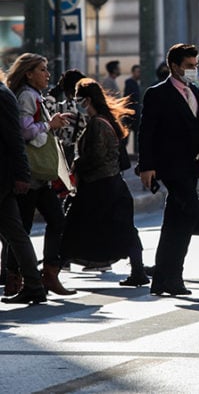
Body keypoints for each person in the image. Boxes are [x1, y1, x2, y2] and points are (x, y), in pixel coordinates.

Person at [138, 43, 199, 296]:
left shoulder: (193, 91)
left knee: (176, 219)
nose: (193, 70)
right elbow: (147, 132)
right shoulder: (157, 94)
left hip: (191, 165)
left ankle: (164, 279)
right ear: (173, 66)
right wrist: (147, 167)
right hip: (171, 166)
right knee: (188, 213)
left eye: (195, 66)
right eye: (189, 66)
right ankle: (172, 276)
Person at [60, 79, 148, 287]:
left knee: (74, 226)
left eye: (79, 99)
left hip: (99, 186)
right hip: (111, 184)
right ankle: (138, 270)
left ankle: (52, 270)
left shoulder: (98, 123)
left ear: (88, 100)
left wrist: (76, 165)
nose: (77, 104)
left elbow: (96, 156)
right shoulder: (103, 120)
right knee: (124, 229)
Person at [4, 53, 76, 297]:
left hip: (39, 176)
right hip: (30, 174)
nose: (47, 74)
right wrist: (50, 125)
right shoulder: (26, 96)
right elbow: (23, 131)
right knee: (20, 229)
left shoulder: (34, 96)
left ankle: (48, 274)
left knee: (51, 222)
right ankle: (17, 279)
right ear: (29, 73)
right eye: (42, 70)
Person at [0, 75, 47, 304]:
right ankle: (34, 285)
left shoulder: (3, 96)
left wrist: (22, 175)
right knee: (16, 234)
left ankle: (33, 284)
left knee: (16, 234)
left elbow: (15, 140)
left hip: (2, 177)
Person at [124, 64, 142, 152]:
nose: (139, 74)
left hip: (135, 112)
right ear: (133, 72)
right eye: (138, 72)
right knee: (127, 135)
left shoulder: (135, 83)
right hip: (131, 113)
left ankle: (135, 152)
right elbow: (128, 97)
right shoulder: (130, 83)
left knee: (136, 135)